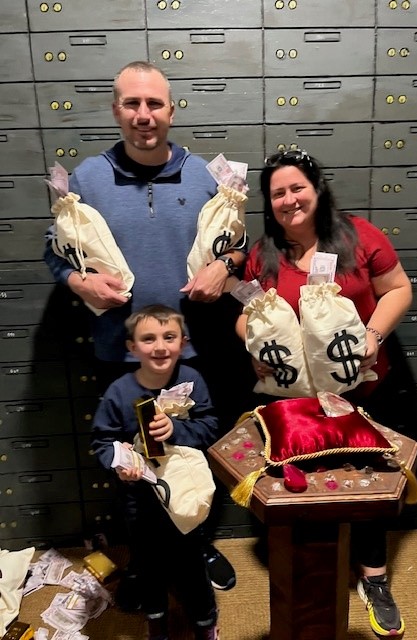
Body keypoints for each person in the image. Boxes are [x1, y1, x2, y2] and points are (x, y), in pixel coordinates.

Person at [43, 61, 243, 598]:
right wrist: (79, 281)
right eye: (132, 103)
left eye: (154, 103)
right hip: (121, 354)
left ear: (172, 111)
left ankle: (197, 545)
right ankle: (144, 554)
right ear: (116, 111)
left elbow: (237, 245)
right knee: (131, 460)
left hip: (193, 351)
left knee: (192, 454)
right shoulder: (87, 179)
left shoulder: (206, 176)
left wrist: (226, 266)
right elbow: (56, 251)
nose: (144, 114)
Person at [235, 149, 413, 637]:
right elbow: (247, 314)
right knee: (306, 484)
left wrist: (373, 336)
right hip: (297, 403)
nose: (289, 200)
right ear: (269, 202)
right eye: (278, 193)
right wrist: (256, 348)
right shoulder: (264, 254)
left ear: (317, 188)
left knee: (368, 481)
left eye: (297, 188)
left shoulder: (358, 236)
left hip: (362, 390)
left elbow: (398, 288)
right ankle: (309, 568)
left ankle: (374, 576)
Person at [92, 304, 219, 640]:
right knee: (147, 562)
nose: (160, 346)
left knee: (191, 561)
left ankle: (205, 620)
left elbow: (209, 428)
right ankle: (156, 619)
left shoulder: (193, 380)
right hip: (139, 497)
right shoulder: (119, 391)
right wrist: (119, 463)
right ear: (132, 347)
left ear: (183, 343)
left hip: (185, 494)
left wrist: (176, 430)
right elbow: (102, 442)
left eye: (169, 337)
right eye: (148, 339)